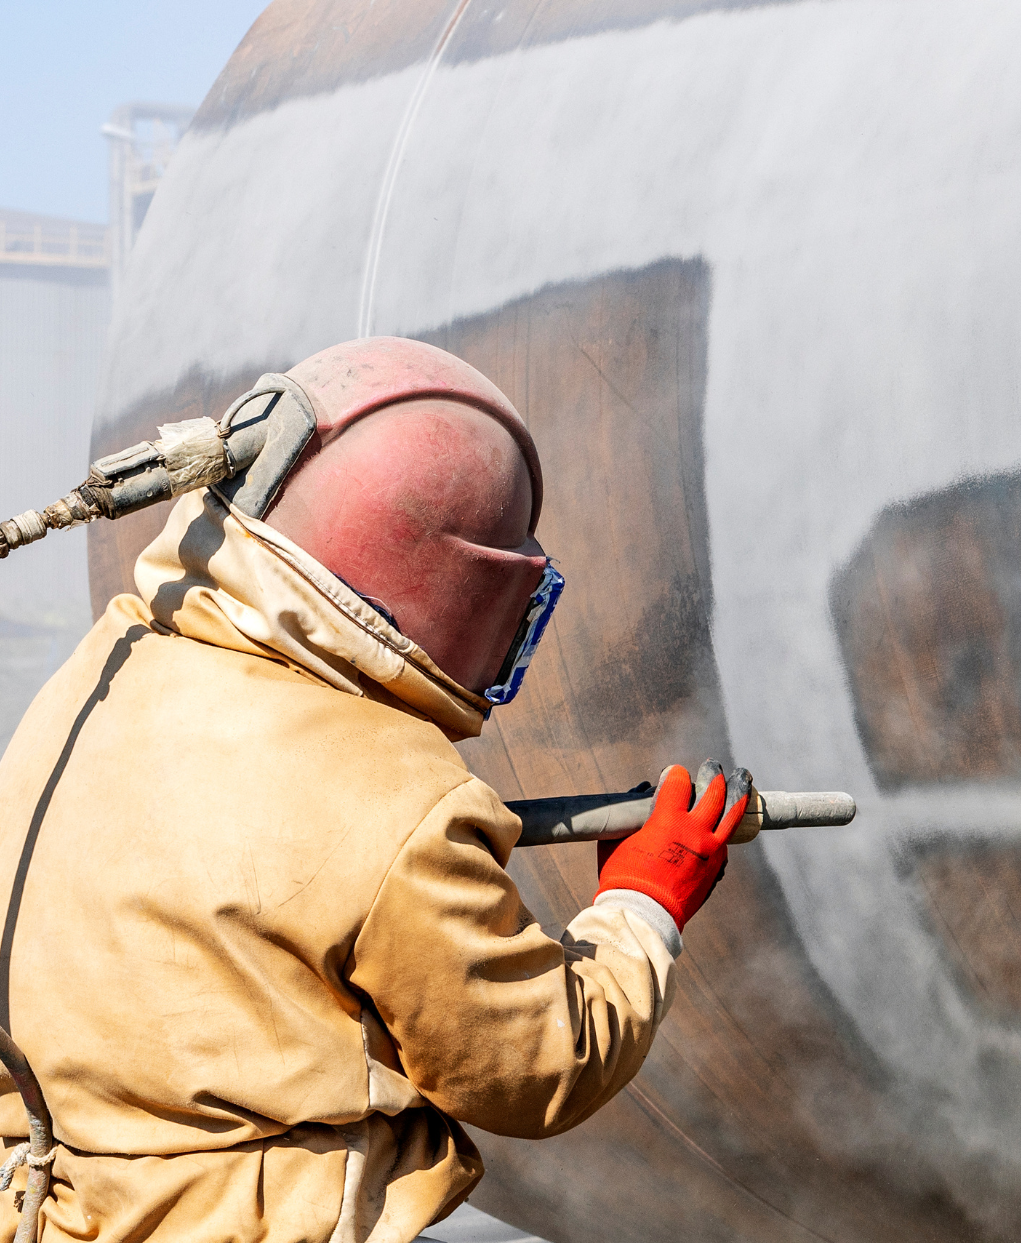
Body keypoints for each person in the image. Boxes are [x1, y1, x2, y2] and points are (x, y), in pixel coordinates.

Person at [0, 337, 744, 1242]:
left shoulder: (104, 669)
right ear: (462, 594)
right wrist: (642, 905)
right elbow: (535, 1066)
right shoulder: (400, 797)